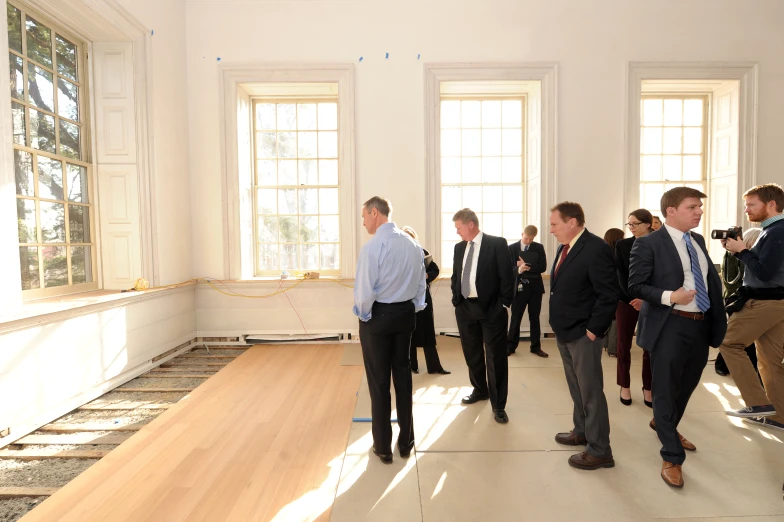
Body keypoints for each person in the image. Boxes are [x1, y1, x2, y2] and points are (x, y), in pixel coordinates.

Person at [629, 187, 727, 488]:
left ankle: (664, 422)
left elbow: (709, 280)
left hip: (699, 325)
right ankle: (671, 454)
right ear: (671, 210)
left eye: (699, 206)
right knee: (664, 388)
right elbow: (636, 285)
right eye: (691, 207)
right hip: (669, 324)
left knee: (686, 385)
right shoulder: (648, 244)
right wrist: (672, 296)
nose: (698, 211)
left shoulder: (697, 240)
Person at [353, 197, 427, 464]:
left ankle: (382, 447)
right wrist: (413, 308)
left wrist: (364, 317)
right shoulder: (413, 244)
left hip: (379, 319)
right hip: (405, 316)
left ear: (375, 213)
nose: (363, 222)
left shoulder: (373, 247)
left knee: (379, 382)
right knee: (404, 377)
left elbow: (364, 293)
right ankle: (406, 442)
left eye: (364, 216)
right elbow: (421, 286)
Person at [549, 202, 618, 470]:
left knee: (591, 392)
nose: (552, 229)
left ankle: (600, 449)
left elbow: (608, 294)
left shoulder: (596, 248)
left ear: (573, 222)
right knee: (577, 388)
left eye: (555, 223)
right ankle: (582, 431)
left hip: (583, 335)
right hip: (565, 331)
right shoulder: (565, 248)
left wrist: (593, 331)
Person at [719, 184, 784, 432]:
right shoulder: (772, 231)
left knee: (728, 342)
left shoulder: (777, 231)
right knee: (769, 361)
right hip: (775, 303)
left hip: (765, 302)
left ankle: (757, 404)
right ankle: (779, 417)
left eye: (751, 204)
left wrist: (743, 250)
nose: (746, 209)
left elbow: (764, 273)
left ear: (771, 204)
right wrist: (739, 252)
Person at [450, 208, 514, 424]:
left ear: (470, 225)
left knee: (495, 357)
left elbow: (507, 275)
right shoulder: (459, 248)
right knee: (472, 352)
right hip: (465, 308)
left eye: (459, 227)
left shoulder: (496, 244)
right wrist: (456, 299)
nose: (457, 232)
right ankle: (480, 390)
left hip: (491, 309)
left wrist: (504, 304)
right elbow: (456, 275)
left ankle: (499, 405)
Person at [615, 210, 654, 408]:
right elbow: (621, 274)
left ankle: (649, 388)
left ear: (648, 224)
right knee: (623, 345)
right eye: (628, 224)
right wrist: (634, 298)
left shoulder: (660, 243)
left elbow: (661, 275)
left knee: (649, 347)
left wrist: (645, 299)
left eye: (635, 224)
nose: (631, 227)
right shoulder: (622, 245)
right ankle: (624, 385)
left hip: (652, 301)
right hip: (626, 301)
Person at [401, 226, 450, 375]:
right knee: (408, 333)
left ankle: (434, 367)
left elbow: (435, 269)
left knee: (428, 332)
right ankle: (411, 366)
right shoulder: (399, 254)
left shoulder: (423, 252)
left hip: (424, 297)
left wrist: (427, 276)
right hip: (407, 298)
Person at [714, 227, 762, 376]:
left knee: (752, 335)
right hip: (737, 298)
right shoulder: (733, 255)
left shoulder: (758, 257)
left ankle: (752, 366)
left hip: (756, 299)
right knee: (735, 335)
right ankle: (722, 363)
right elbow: (730, 281)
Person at [507, 225, 548, 357]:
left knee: (534, 318)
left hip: (535, 288)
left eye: (531, 239)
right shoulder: (511, 248)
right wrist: (518, 268)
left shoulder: (539, 247)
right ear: (521, 234)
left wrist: (528, 266)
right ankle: (510, 346)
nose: (528, 241)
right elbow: (507, 268)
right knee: (515, 318)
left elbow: (543, 267)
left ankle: (535, 347)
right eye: (526, 238)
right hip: (519, 288)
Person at [602, 229, 625, 358]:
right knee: (616, 319)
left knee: (608, 318)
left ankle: (606, 345)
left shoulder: (602, 251)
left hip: (604, 289)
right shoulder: (617, 252)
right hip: (616, 288)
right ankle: (613, 348)